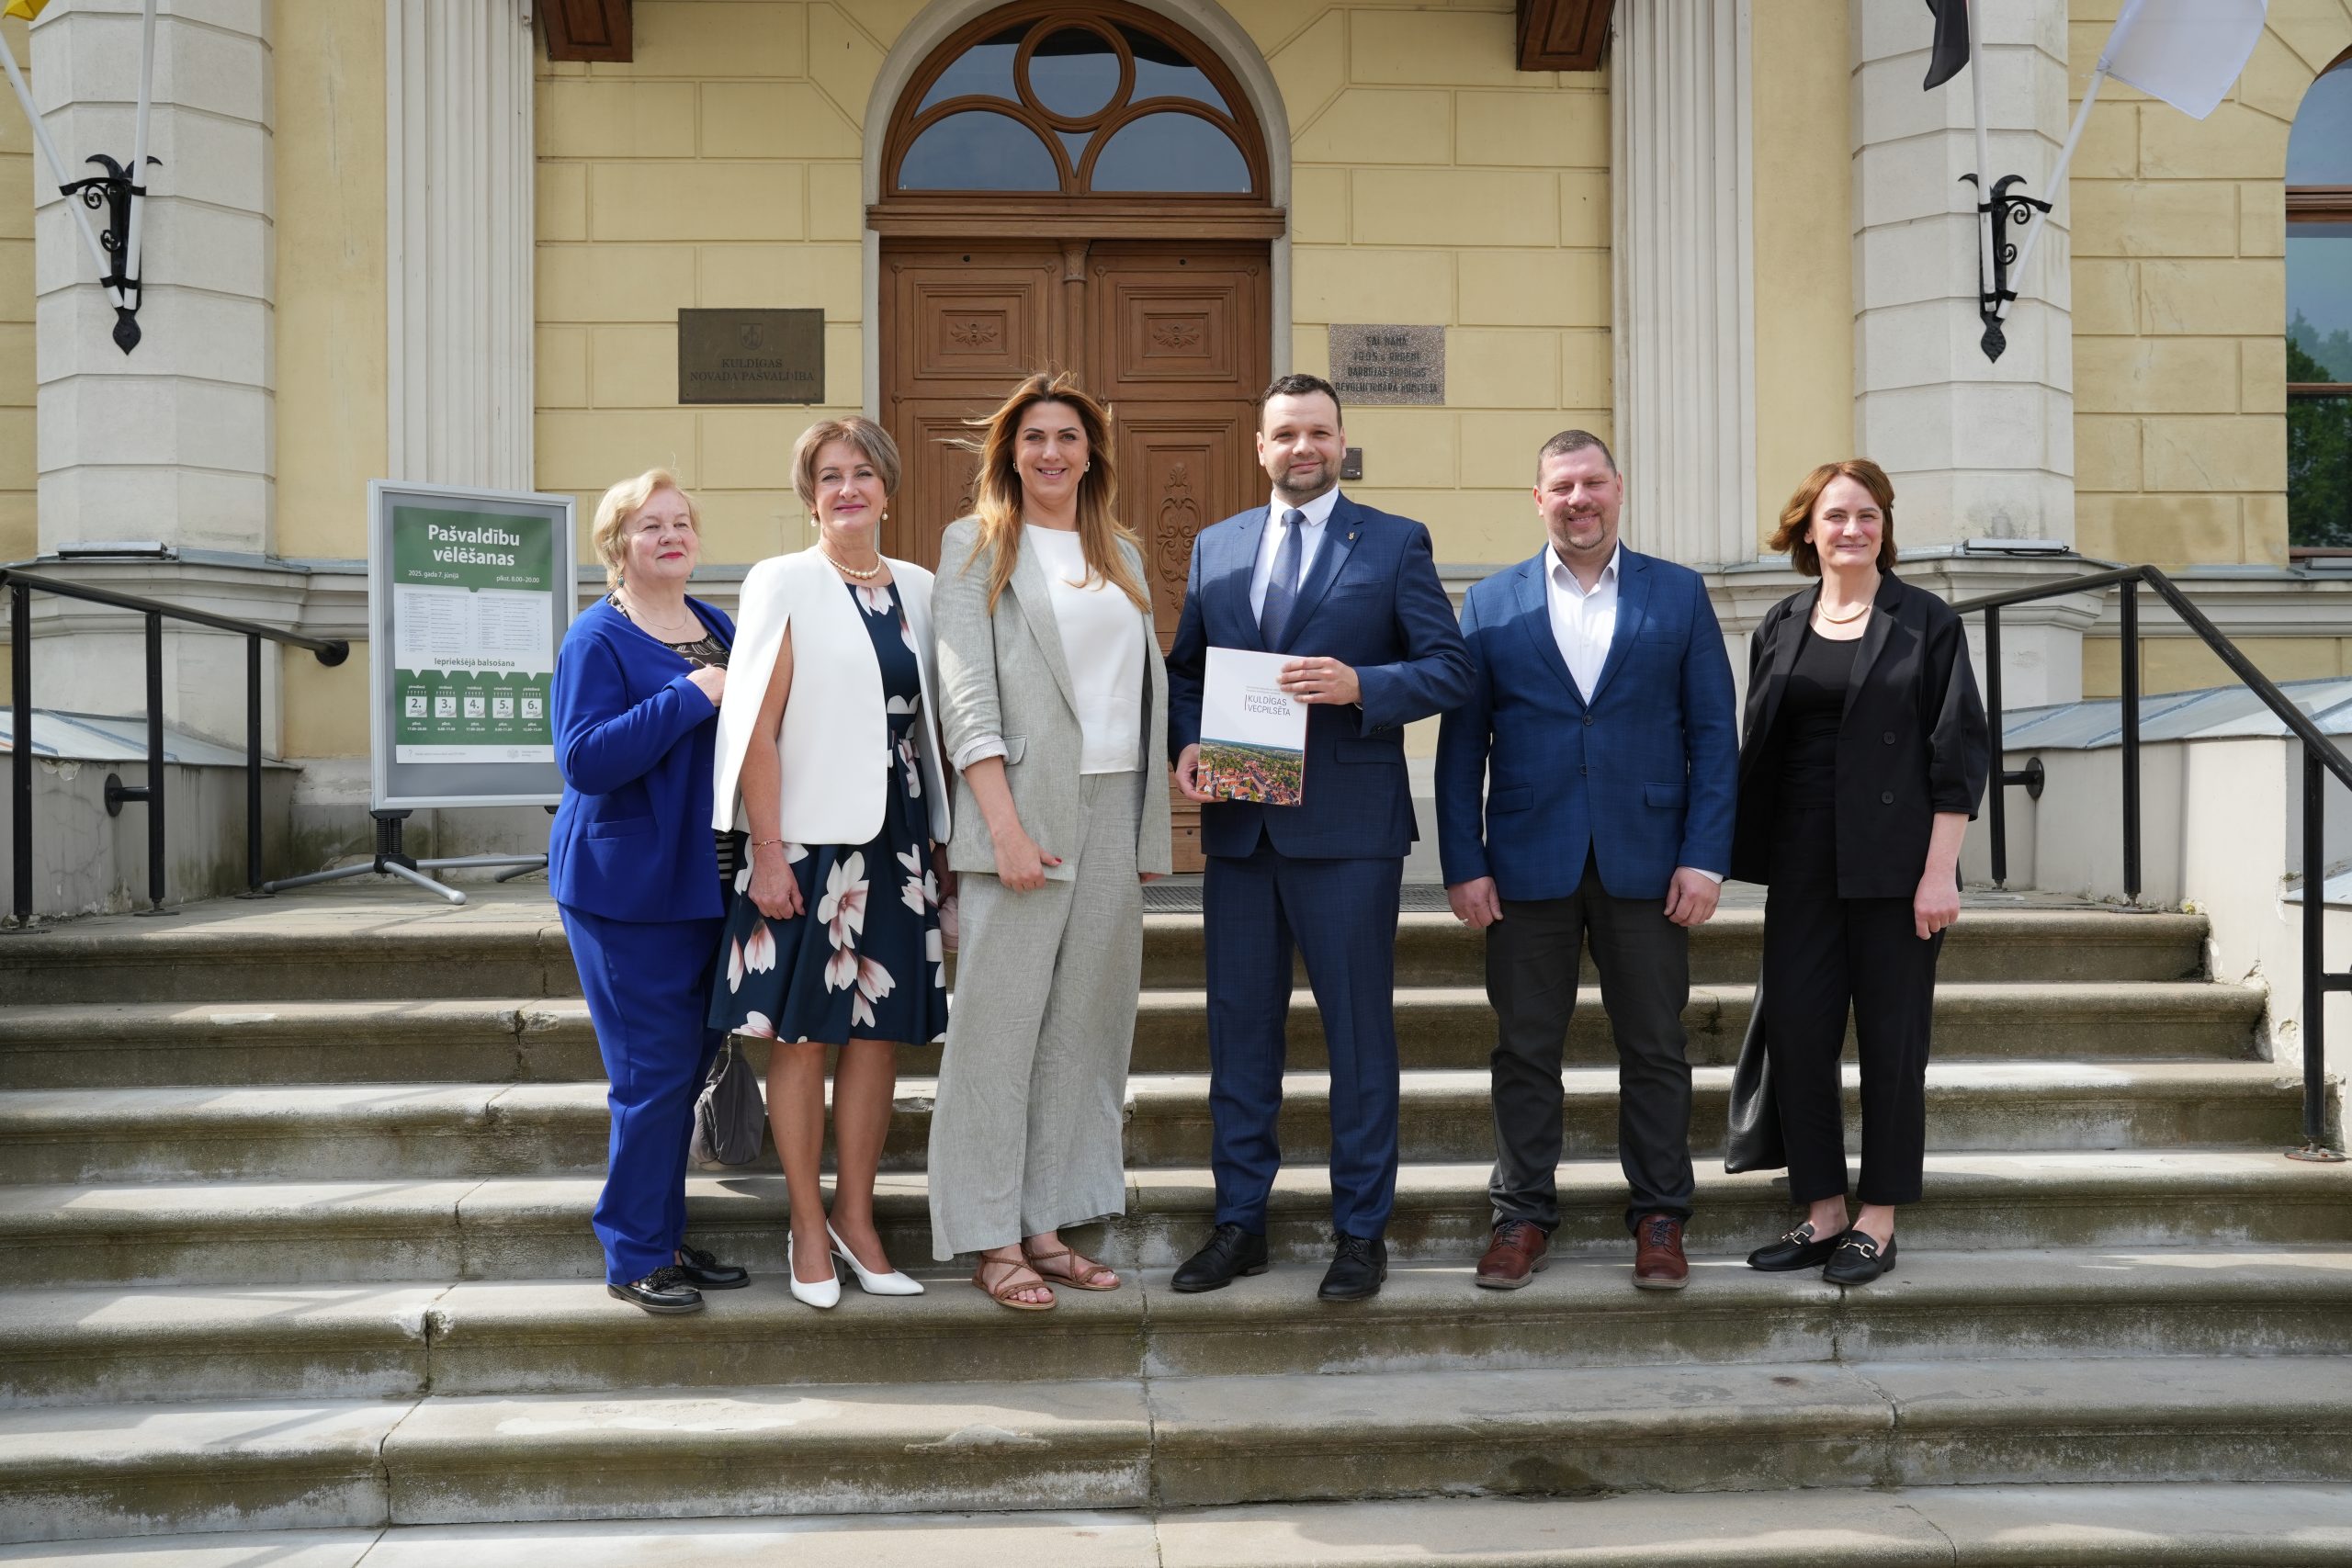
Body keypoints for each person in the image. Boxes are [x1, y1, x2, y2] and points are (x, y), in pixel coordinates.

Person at [1167, 372, 1474, 1303]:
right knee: (1239, 1035)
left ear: (1342, 444)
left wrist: (1363, 686)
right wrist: (1188, 742)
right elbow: (1187, 671)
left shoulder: (1393, 541)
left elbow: (1449, 669)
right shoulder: (1217, 545)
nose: (1303, 448)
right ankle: (1240, 1222)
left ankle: (1360, 1232)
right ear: (1260, 447)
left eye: (1319, 433)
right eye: (1286, 434)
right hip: (1243, 826)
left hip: (1347, 834)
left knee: (1357, 1037)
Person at [1434, 430, 1739, 1293]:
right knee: (1525, 1049)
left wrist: (1705, 858)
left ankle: (1660, 1216)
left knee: (1656, 1046)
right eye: (1562, 486)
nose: (1579, 499)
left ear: (1619, 487)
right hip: (1525, 863)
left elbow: (1715, 735)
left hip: (1649, 860)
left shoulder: (1677, 593)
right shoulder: (1491, 601)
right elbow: (1462, 748)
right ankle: (1521, 1215)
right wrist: (1463, 861)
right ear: (1538, 499)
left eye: (1592, 482)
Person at [926, 372, 1172, 1312]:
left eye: (1068, 436)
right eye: (1033, 437)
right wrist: (1001, 827)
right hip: (1020, 810)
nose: (1051, 452)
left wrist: (1146, 820)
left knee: (1084, 1033)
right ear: (1010, 453)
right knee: (997, 1035)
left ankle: (1047, 1222)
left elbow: (1136, 692)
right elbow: (965, 696)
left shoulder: (1123, 553)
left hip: (1113, 808)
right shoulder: (975, 544)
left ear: (1091, 452)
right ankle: (990, 1236)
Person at [709, 418, 952, 1311]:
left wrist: (945, 848)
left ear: (888, 488)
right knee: (802, 1037)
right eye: (829, 476)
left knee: (878, 1038)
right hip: (806, 845)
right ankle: (807, 1226)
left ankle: (857, 1216)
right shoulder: (783, 580)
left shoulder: (922, 587)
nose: (847, 489)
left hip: (899, 841)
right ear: (809, 497)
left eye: (863, 474)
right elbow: (757, 730)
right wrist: (766, 850)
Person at [1732, 458, 1989, 1287]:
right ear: (1808, 530)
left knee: (1891, 1043)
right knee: (1799, 1034)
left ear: (1885, 527)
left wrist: (1940, 873)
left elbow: (1957, 753)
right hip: (1800, 861)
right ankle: (1823, 1211)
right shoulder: (1781, 622)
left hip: (1897, 864)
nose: (1853, 528)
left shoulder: (1926, 622)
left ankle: (1878, 1217)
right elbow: (1761, 746)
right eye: (1836, 515)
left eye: (1868, 515)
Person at [548, 469, 751, 1315]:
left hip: (710, 880)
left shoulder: (719, 625)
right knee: (650, 1074)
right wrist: (687, 694)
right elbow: (585, 759)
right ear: (617, 546)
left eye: (680, 522)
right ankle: (633, 1253)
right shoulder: (597, 636)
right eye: (649, 526)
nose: (670, 536)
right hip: (627, 889)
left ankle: (662, 1237)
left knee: (685, 1068)